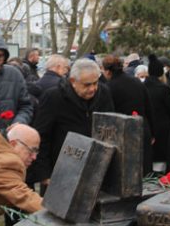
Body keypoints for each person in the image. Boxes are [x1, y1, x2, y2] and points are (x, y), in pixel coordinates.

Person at [30, 58, 115, 188]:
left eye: (95, 83)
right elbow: (42, 136)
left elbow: (110, 127)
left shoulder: (103, 93)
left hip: (95, 170)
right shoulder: (53, 97)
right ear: (73, 81)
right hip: (61, 171)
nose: (93, 89)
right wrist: (44, 175)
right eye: (87, 85)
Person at [102, 55, 154, 175]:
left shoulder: (108, 87)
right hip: (142, 128)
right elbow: (148, 107)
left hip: (122, 134)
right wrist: (152, 131)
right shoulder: (137, 82)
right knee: (144, 172)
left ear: (108, 71)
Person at [144, 55, 170, 165]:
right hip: (163, 132)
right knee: (161, 165)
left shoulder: (142, 87)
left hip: (147, 130)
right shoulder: (163, 90)